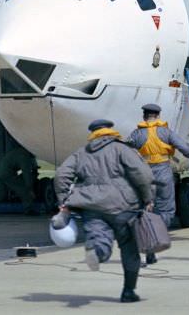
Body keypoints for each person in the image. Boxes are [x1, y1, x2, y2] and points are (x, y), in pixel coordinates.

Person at [54, 119, 154, 303]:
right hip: (124, 206)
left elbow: (62, 174)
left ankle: (98, 252)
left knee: (99, 235)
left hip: (91, 205)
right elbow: (142, 174)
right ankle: (128, 292)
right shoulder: (122, 149)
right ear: (110, 131)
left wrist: (63, 200)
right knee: (129, 249)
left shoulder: (82, 153)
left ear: (92, 133)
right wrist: (147, 198)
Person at [126, 103, 189, 264]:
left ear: (144, 116)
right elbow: (188, 151)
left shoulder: (136, 134)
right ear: (158, 116)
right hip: (163, 173)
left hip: (144, 175)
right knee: (166, 210)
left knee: (144, 210)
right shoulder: (166, 132)